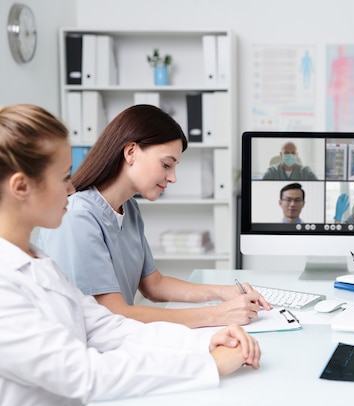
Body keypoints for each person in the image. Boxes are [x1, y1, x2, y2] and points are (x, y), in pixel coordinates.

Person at [0, 104, 261, 406]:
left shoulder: (39, 262)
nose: (71, 188)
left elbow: (107, 327)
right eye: (63, 177)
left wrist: (203, 343)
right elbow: (86, 374)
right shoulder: (7, 283)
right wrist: (208, 362)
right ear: (21, 187)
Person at [38, 105, 270, 329]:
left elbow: (153, 284)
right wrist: (217, 315)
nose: (173, 178)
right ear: (130, 152)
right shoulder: (78, 216)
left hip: (117, 341)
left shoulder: (128, 208)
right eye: (166, 164)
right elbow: (113, 313)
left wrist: (223, 292)